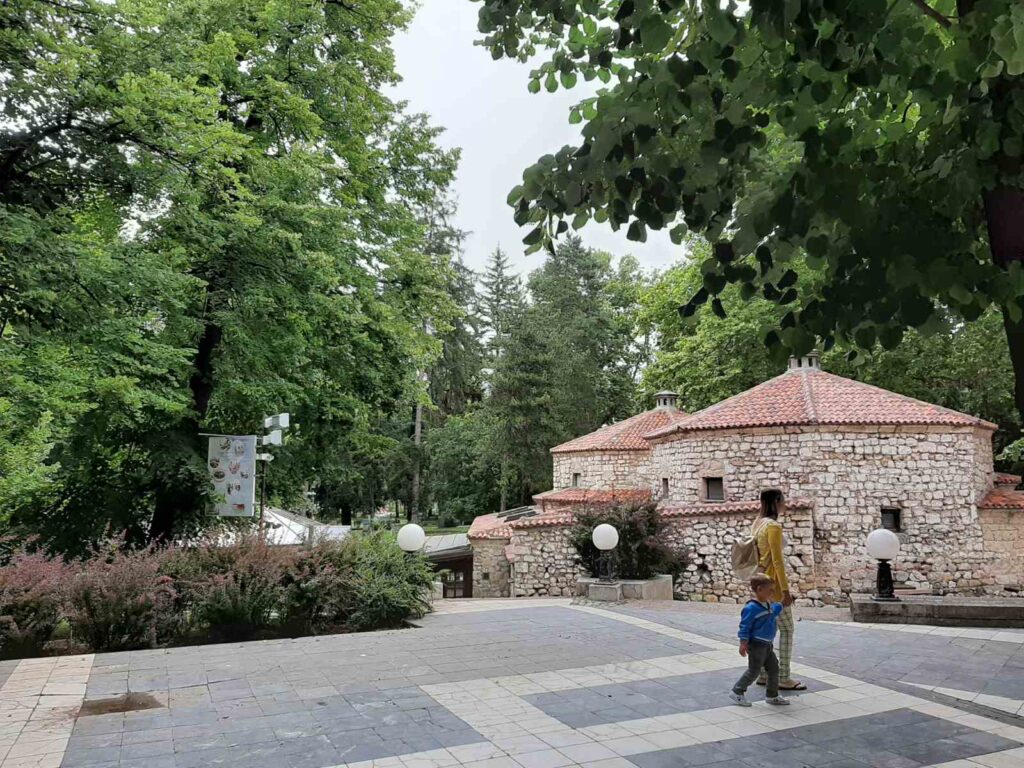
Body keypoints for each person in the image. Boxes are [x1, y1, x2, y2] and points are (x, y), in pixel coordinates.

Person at [754, 488, 806, 690]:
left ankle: (763, 673)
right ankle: (783, 676)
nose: (785, 503)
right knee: (787, 629)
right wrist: (785, 592)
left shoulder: (758, 523)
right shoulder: (773, 526)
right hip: (773, 587)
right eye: (783, 500)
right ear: (777, 501)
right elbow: (777, 561)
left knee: (765, 630)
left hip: (759, 585)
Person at [729, 573, 790, 707]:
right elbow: (745, 626)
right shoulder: (751, 608)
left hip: (767, 644)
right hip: (756, 644)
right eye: (770, 589)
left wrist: (782, 604)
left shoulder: (767, 604)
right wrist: (743, 643)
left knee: (774, 669)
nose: (773, 592)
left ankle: (772, 695)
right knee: (754, 670)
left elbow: (772, 612)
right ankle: (737, 691)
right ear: (760, 589)